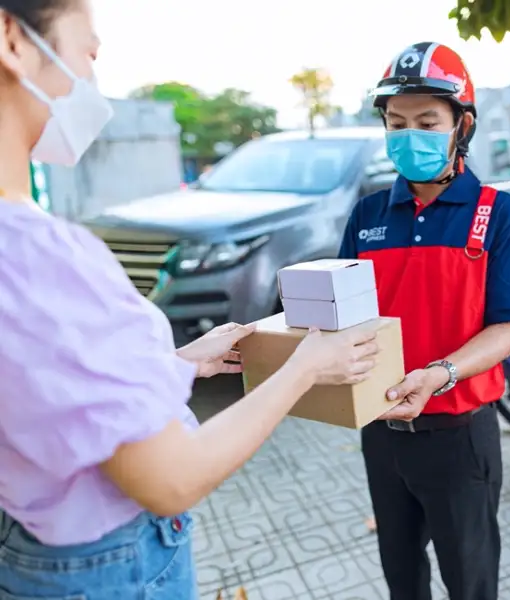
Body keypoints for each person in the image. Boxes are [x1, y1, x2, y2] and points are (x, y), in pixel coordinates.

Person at [0, 1, 379, 598]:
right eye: (89, 53)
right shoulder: (37, 253)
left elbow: (46, 397)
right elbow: (171, 479)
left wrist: (178, 363)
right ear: (13, 41)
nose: (93, 82)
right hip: (109, 567)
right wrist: (305, 366)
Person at [339, 42, 510, 600]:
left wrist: (440, 373)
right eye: (396, 122)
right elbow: (344, 317)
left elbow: (508, 329)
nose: (410, 135)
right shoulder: (367, 216)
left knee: (470, 579)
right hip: (381, 434)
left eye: (427, 121)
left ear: (462, 124)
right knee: (401, 574)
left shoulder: (499, 215)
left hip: (459, 435)